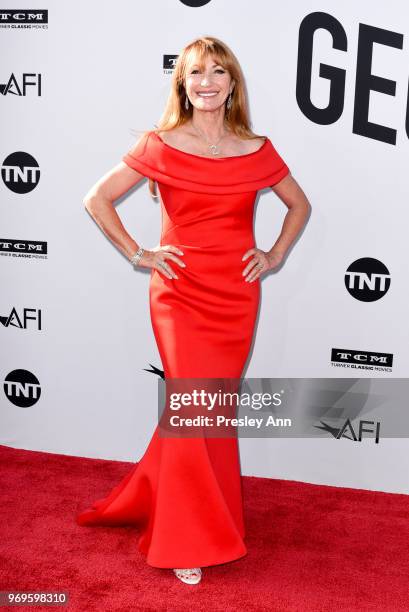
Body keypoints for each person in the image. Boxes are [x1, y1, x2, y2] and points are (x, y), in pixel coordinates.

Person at [76, 35, 311, 585]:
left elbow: (299, 204)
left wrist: (273, 254)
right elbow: (97, 198)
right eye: (195, 73)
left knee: (209, 410)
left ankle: (189, 505)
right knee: (192, 405)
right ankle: (186, 536)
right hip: (178, 293)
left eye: (218, 72)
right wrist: (140, 254)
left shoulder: (255, 148)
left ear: (232, 84)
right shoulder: (161, 143)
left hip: (235, 294)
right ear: (183, 82)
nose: (207, 82)